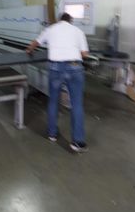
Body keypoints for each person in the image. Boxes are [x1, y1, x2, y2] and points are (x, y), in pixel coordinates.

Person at [26, 12, 89, 153]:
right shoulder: (78, 31)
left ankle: (52, 134)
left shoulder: (51, 29)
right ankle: (78, 142)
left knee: (53, 100)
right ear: (71, 21)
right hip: (75, 67)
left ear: (60, 20)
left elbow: (35, 43)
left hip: (55, 68)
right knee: (77, 104)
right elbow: (84, 55)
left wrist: (29, 50)